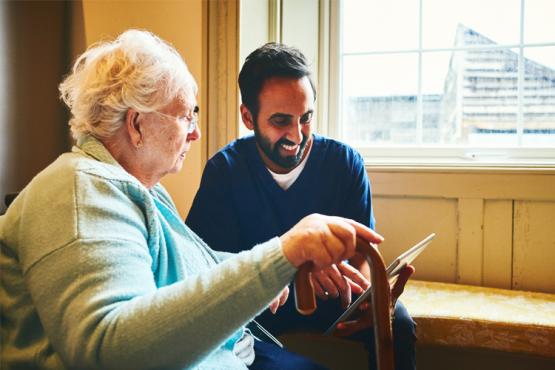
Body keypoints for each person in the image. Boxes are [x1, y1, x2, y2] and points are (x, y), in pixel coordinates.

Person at [0, 30, 385, 370]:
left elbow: (187, 272)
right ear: (136, 125)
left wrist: (287, 265)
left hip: (235, 352)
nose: (196, 133)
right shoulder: (79, 191)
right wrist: (282, 254)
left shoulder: (141, 191)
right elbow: (109, 349)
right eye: (186, 116)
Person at [186, 42, 417, 370]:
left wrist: (370, 295)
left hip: (334, 299)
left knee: (398, 323)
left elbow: (360, 254)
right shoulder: (225, 172)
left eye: (306, 118)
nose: (297, 134)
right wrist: (294, 267)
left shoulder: (344, 163)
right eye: (281, 121)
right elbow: (204, 268)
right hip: (262, 305)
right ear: (248, 117)